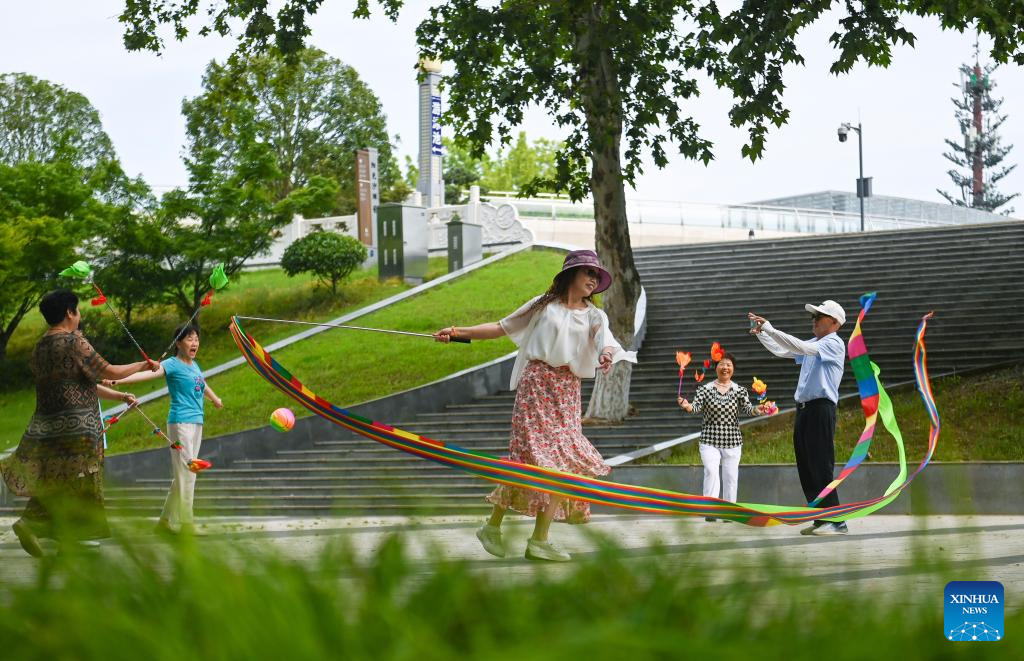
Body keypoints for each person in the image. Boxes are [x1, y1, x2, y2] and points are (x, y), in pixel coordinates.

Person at [433, 249, 636, 562]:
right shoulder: (544, 305)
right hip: (536, 385)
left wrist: (607, 355)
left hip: (568, 391)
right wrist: (457, 332)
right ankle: (499, 529)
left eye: (597, 276)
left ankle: (536, 539)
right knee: (533, 461)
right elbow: (502, 327)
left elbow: (604, 340)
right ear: (572, 273)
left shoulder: (595, 315)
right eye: (589, 273)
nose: (593, 280)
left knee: (565, 464)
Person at [1, 289, 156, 557]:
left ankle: (48, 530)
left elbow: (83, 383)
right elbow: (110, 371)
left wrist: (118, 395)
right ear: (69, 313)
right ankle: (70, 537)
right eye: (78, 310)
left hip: (48, 428)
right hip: (80, 427)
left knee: (59, 480)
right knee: (82, 480)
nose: (79, 314)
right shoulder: (74, 342)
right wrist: (144, 366)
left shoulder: (40, 347)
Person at [105, 323, 222, 536]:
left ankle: (165, 522)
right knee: (189, 472)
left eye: (196, 338)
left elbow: (201, 383)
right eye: (189, 339)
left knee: (183, 474)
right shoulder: (172, 364)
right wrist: (118, 380)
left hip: (197, 422)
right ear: (178, 343)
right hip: (180, 423)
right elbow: (147, 375)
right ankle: (187, 524)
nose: (194, 342)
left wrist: (214, 399)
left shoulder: (194, 365)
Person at [748, 300, 848, 536]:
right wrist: (763, 334)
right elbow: (784, 350)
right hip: (804, 409)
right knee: (806, 465)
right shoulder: (815, 343)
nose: (814, 320)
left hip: (821, 408)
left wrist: (770, 328)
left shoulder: (834, 342)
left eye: (819, 316)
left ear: (834, 323)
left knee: (821, 464)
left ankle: (837, 521)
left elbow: (800, 347)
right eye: (813, 316)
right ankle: (820, 517)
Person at [677, 352, 769, 520]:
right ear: (716, 367)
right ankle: (711, 510)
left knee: (731, 477)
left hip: (733, 441)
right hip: (709, 440)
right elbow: (695, 408)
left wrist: (758, 409)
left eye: (729, 365)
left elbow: (749, 409)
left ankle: (729, 512)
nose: (725, 367)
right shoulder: (704, 389)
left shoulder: (739, 390)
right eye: (722, 364)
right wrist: (687, 406)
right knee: (711, 472)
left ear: (733, 369)